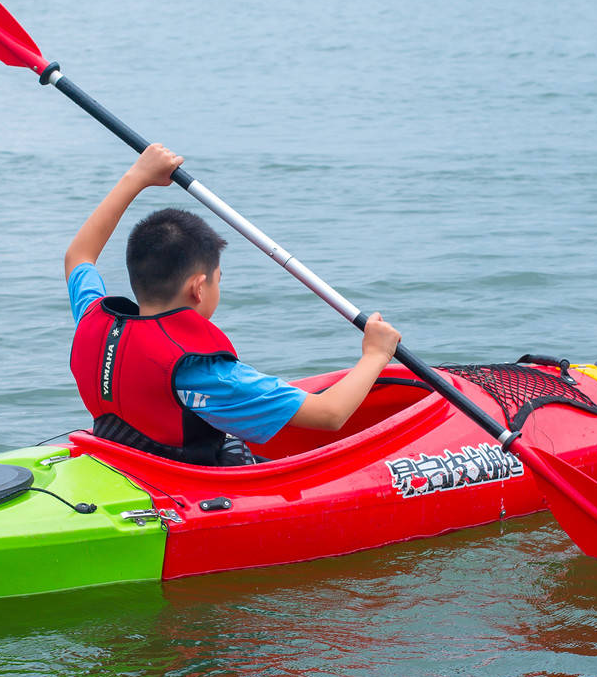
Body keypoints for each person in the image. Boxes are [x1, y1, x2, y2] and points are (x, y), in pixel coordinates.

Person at [65, 143, 403, 466]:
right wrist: (376, 354)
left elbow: (79, 256)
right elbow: (330, 414)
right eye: (218, 278)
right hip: (184, 483)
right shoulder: (201, 372)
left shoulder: (93, 317)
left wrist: (136, 177)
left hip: (125, 458)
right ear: (199, 287)